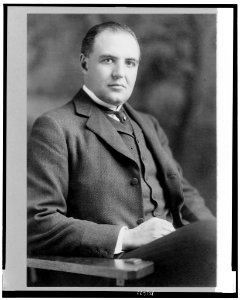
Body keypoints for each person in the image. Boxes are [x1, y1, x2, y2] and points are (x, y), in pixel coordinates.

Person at [27, 21, 216, 287]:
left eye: (130, 63)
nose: (120, 73)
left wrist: (225, 242)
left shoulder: (148, 124)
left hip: (175, 254)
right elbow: (37, 223)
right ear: (85, 64)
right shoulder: (55, 127)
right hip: (113, 268)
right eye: (108, 60)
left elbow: (186, 197)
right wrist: (127, 236)